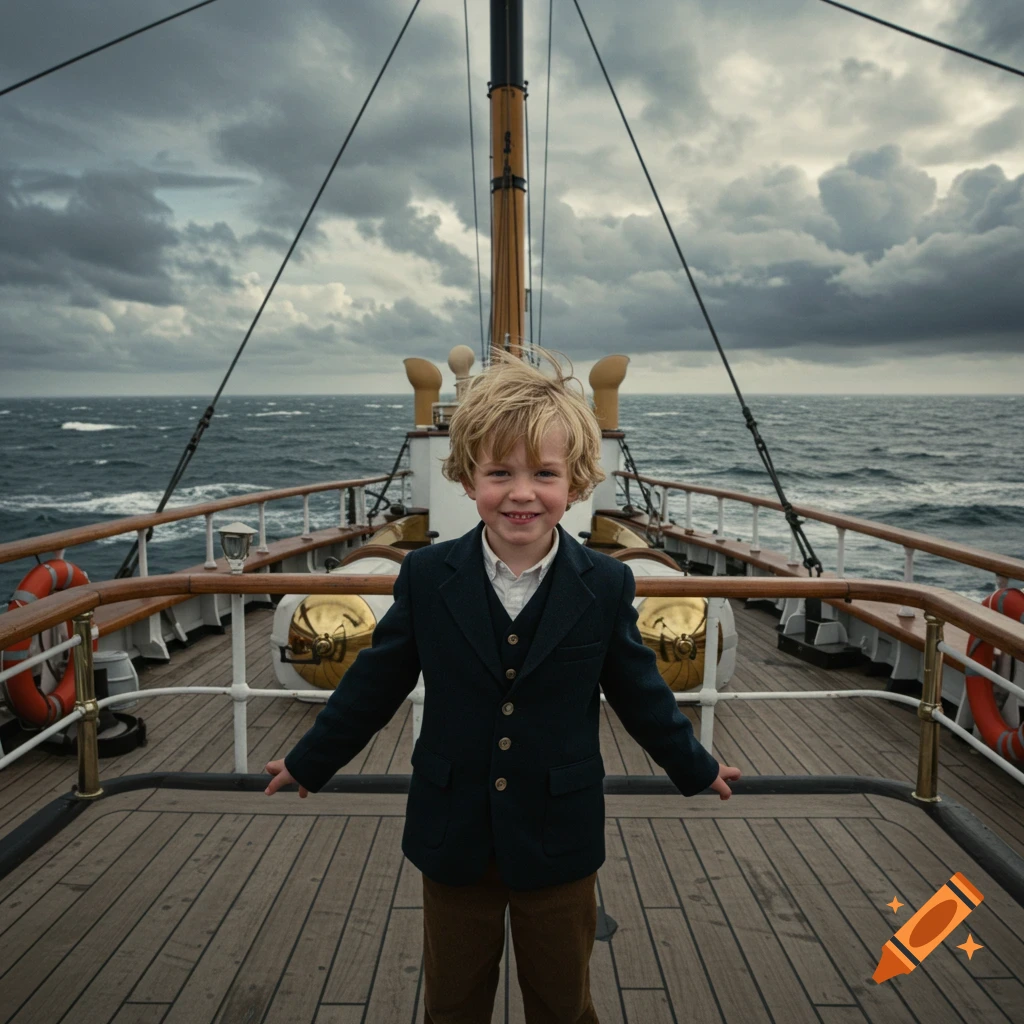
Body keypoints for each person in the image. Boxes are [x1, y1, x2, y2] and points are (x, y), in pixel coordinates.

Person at [265, 348, 741, 1023]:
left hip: (559, 835)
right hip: (452, 831)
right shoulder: (428, 579)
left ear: (574, 484)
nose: (522, 493)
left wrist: (696, 768)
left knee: (563, 1001)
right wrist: (312, 760)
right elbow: (375, 684)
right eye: (500, 473)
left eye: (544, 474)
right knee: (454, 1003)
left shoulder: (605, 585)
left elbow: (641, 696)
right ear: (466, 479)